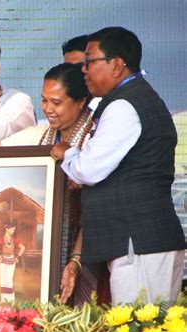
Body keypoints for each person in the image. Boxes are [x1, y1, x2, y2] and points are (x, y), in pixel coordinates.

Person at [51, 26, 186, 305]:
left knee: (139, 330)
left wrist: (67, 154)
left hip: (138, 242)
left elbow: (89, 169)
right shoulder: (131, 98)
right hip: (139, 243)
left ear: (116, 65)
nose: (84, 70)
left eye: (89, 62)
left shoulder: (124, 105)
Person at [0, 63, 111, 305]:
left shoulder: (97, 139)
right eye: (44, 101)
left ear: (81, 102)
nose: (48, 109)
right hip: (52, 254)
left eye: (56, 103)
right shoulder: (38, 135)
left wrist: (76, 259)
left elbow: (100, 202)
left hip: (91, 249)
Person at [0, 222, 25, 302]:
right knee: (2, 280)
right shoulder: (1, 240)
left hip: (11, 262)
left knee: (9, 281)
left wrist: (17, 257)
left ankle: (11, 299)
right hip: (3, 262)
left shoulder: (14, 240)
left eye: (14, 230)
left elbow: (23, 248)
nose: (13, 231)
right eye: (12, 229)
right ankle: (3, 299)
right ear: (7, 229)